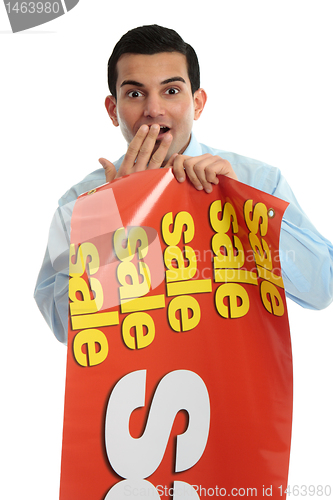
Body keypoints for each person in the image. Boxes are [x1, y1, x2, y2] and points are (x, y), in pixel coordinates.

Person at [34, 24, 333, 345]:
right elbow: (67, 328)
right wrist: (117, 218)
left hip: (236, 382)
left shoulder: (257, 181)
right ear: (113, 110)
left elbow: (321, 290)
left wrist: (245, 206)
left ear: (198, 103)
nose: (153, 110)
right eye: (135, 94)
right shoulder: (79, 202)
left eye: (171, 91)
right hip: (135, 387)